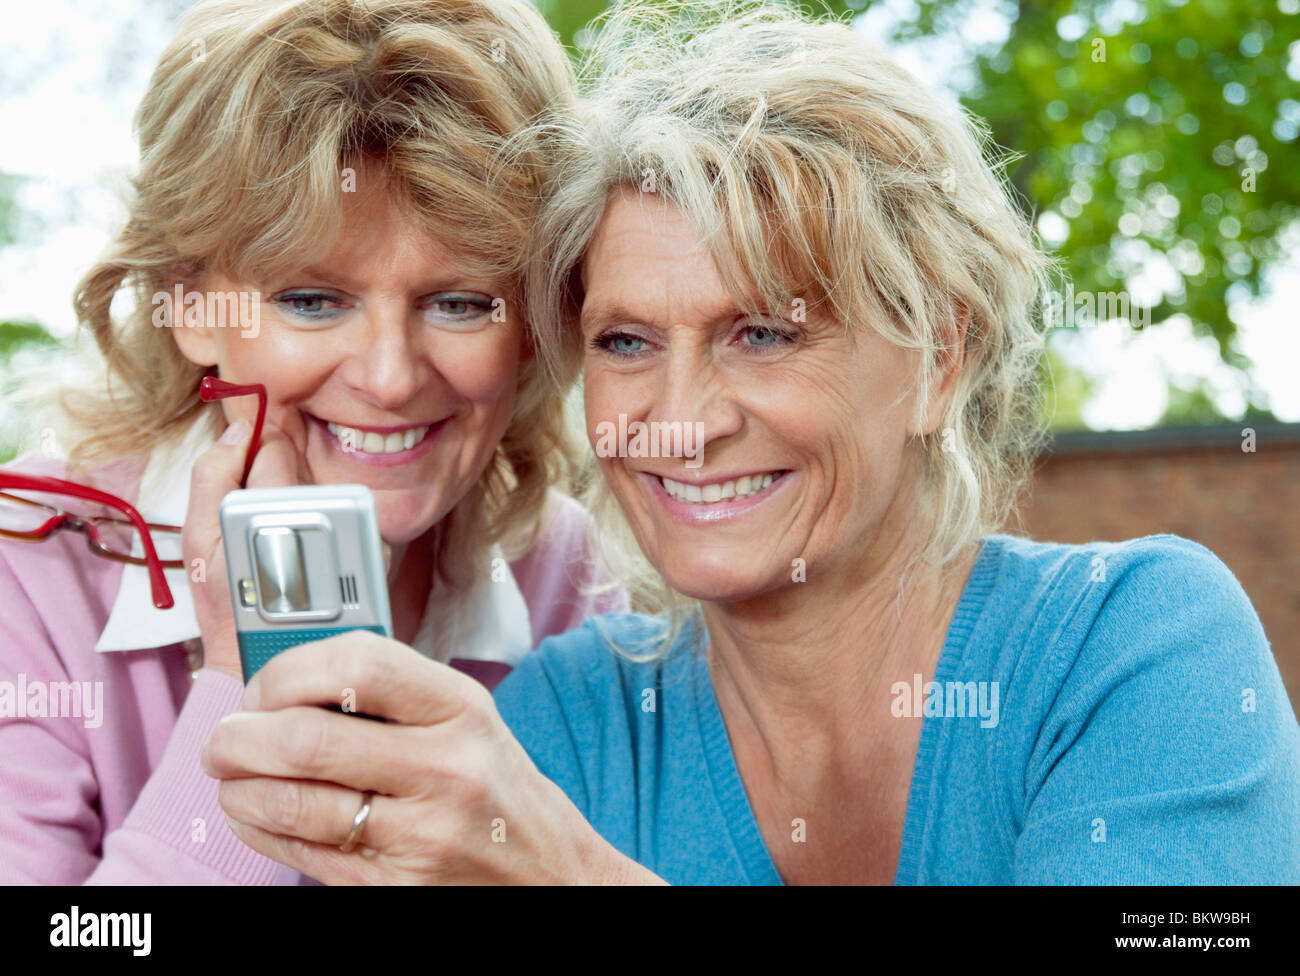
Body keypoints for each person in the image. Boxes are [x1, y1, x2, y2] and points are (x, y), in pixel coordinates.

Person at [203, 0, 1300, 884]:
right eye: (627, 340)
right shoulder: (563, 728)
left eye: (764, 332)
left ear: (937, 360)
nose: (681, 416)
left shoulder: (1133, 648)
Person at [0, 0, 624, 885]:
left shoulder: (569, 575)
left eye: (458, 302)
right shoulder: (28, 564)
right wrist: (247, 679)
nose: (390, 376)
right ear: (189, 306)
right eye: (312, 300)